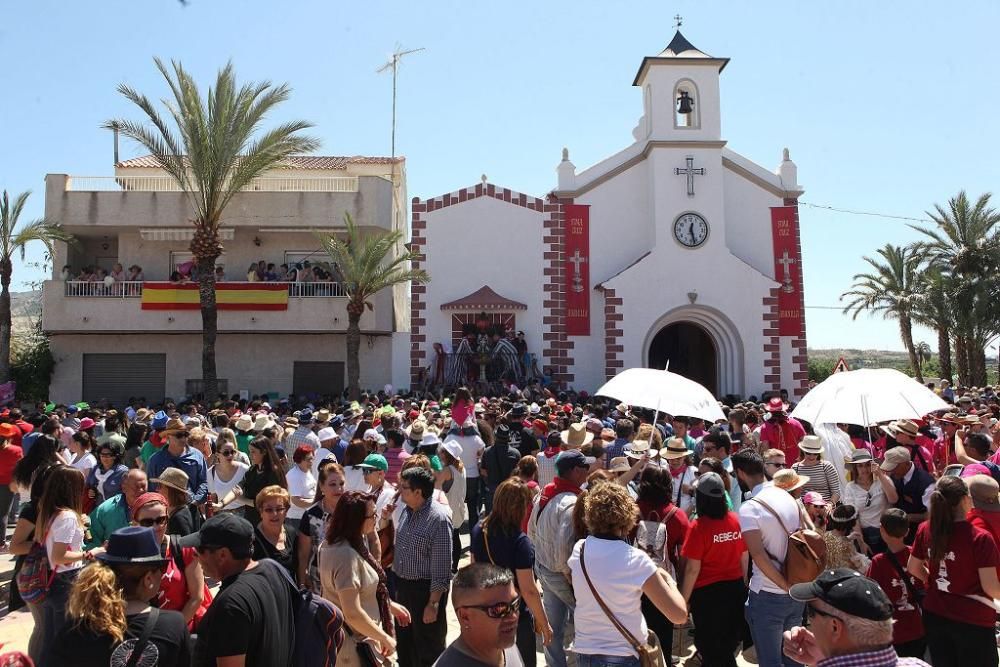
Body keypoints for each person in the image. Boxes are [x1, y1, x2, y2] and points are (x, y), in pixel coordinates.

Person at [568, 482, 687, 666]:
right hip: (624, 655)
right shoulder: (637, 560)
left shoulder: (579, 550)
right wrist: (668, 580)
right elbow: (678, 615)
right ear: (627, 516)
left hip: (586, 653)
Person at [51, 526, 191, 666]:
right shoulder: (173, 625)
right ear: (148, 579)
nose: (162, 573)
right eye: (161, 568)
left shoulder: (74, 632)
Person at [906, 475, 1000, 667]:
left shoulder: (926, 529)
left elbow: (913, 567)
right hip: (973, 620)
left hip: (936, 614)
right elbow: (991, 587)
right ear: (965, 499)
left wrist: (932, 582)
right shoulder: (979, 538)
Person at [180, 513, 295, 666]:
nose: (195, 557)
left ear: (222, 555)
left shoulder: (231, 603)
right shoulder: (273, 571)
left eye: (199, 551)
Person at [319, 491, 412, 666]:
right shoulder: (345, 556)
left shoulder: (340, 543)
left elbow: (360, 589)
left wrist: (389, 605)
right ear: (356, 520)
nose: (376, 518)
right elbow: (352, 613)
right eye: (372, 515)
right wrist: (384, 637)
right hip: (353, 648)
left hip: (361, 639)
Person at [733, 449, 806, 667]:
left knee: (770, 662)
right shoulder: (789, 497)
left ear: (740, 473)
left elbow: (758, 556)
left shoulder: (749, 509)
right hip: (797, 592)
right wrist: (791, 588)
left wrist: (784, 585)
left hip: (768, 595)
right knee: (795, 659)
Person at [470, 477, 552, 667]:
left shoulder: (479, 530)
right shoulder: (520, 542)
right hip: (514, 619)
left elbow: (475, 573)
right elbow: (528, 589)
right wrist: (544, 624)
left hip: (486, 614)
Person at [783, 568, 929, 667]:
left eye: (811, 612)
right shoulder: (917, 664)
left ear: (835, 627)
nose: (809, 621)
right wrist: (825, 657)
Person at [528, 449, 593, 667]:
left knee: (552, 627)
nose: (588, 471)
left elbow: (531, 530)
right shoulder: (572, 503)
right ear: (575, 471)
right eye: (584, 467)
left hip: (543, 568)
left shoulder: (546, 492)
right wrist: (568, 574)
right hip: (560, 574)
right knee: (587, 623)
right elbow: (565, 547)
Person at [679, 472, 748, 667]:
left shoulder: (698, 527)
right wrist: (743, 586)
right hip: (735, 591)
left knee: (711, 650)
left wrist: (682, 602)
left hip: (707, 597)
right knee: (726, 647)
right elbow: (744, 556)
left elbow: (692, 569)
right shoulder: (736, 520)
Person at [36, 465, 97, 666]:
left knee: (51, 639)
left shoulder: (51, 512)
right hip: (66, 580)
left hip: (54, 581)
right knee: (65, 641)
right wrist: (90, 553)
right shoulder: (68, 517)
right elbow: (60, 556)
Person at [393, 465, 453, 667]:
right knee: (405, 646)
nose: (399, 490)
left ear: (418, 492)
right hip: (402, 589)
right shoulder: (406, 511)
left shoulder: (438, 519)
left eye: (404, 487)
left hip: (424, 593)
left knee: (428, 649)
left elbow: (442, 567)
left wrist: (433, 604)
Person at [131, 492, 212, 631]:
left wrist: (170, 631)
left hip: (180, 631)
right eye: (147, 522)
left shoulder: (183, 550)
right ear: (135, 524)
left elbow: (197, 597)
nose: (155, 527)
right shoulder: (128, 554)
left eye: (161, 520)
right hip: (142, 632)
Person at [633, 463, 689, 651]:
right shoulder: (678, 516)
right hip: (663, 581)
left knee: (636, 634)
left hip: (634, 580)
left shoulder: (631, 512)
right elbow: (683, 556)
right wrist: (680, 586)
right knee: (663, 635)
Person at [435, 563, 525, 667]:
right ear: (465, 617)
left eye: (515, 604)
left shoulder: (504, 644)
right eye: (498, 609)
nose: (513, 616)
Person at [865, 508, 926, 658]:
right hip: (918, 628)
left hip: (892, 631)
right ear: (907, 531)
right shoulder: (917, 556)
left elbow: (871, 596)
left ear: (882, 530)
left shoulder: (878, 562)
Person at [298, 461, 346, 591]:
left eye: (341, 484)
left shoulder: (352, 511)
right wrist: (302, 582)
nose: (338, 489)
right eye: (332, 484)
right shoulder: (310, 516)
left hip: (348, 577)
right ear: (322, 487)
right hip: (319, 581)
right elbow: (303, 553)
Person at [842, 449, 897, 553]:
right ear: (855, 468)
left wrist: (880, 474)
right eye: (860, 466)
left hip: (886, 531)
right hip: (864, 533)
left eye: (867, 465)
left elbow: (893, 499)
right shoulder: (850, 487)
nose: (864, 469)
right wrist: (862, 542)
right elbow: (853, 516)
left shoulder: (883, 480)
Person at [147, 418, 209, 506]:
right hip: (166, 511)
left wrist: (196, 501)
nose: (183, 438)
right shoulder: (156, 460)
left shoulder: (197, 455)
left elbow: (204, 481)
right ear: (168, 436)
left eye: (185, 434)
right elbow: (152, 489)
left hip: (192, 508)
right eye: (179, 435)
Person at [882, 446, 934, 542]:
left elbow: (931, 515)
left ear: (906, 463)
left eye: (894, 467)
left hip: (918, 536)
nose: (891, 471)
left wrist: (908, 517)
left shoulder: (927, 484)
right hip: (897, 534)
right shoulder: (894, 475)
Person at [87, 469, 149, 548]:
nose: (141, 490)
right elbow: (91, 540)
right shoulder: (106, 510)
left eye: (143, 486)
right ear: (124, 488)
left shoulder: (155, 509)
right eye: (136, 487)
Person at [252, 485, 299, 577]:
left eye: (279, 509)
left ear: (286, 511)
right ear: (261, 512)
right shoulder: (252, 540)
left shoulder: (292, 533)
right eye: (269, 510)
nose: (274, 514)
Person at [240, 436, 288, 526]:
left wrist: (243, 500)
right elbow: (239, 486)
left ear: (264, 452)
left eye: (253, 452)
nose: (250, 455)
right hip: (251, 520)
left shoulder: (273, 472)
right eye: (250, 451)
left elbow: (268, 502)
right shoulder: (252, 470)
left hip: (269, 522)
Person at [437, 440, 467, 572]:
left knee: (447, 540)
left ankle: (448, 566)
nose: (440, 453)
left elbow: (436, 486)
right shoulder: (461, 467)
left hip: (448, 509)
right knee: (456, 536)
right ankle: (454, 567)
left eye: (443, 451)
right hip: (459, 508)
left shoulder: (448, 470)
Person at [791, 435, 841, 504]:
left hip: (824, 507)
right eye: (808, 453)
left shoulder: (827, 466)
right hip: (803, 508)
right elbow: (792, 493)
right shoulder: (795, 468)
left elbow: (836, 492)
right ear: (803, 451)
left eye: (815, 454)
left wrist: (830, 504)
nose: (812, 456)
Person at [153, 467, 201, 537]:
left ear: (171, 490)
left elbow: (182, 546)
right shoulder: (182, 511)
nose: (157, 489)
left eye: (160, 486)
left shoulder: (179, 519)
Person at [822, 504, 871, 572]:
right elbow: (855, 568)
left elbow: (835, 543)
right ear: (851, 523)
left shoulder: (825, 535)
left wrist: (848, 538)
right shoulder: (847, 546)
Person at [207, 438, 248, 514]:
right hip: (222, 515)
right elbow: (213, 499)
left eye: (233, 452)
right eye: (226, 453)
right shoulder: (210, 473)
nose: (230, 455)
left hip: (243, 513)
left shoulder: (244, 469)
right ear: (217, 454)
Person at [759, 397, 806, 463]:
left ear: (770, 411)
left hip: (777, 465)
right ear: (782, 410)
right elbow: (804, 442)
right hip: (796, 463)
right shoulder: (796, 423)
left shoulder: (765, 427)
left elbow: (766, 449)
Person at [0, 423, 23, 550]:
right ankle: (1, 543)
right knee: (3, 514)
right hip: (7, 485)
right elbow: (19, 469)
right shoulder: (16, 450)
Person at [86, 438, 128, 507]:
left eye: (108, 455)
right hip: (97, 509)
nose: (104, 458)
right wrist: (91, 491)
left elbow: (128, 493)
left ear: (115, 456)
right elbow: (89, 485)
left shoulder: (123, 472)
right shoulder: (95, 469)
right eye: (102, 455)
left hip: (116, 509)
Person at [662, 438, 698, 516]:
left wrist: (691, 490)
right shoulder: (663, 471)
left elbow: (698, 497)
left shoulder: (693, 472)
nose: (674, 462)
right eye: (672, 458)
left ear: (684, 457)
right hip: (666, 518)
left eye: (678, 458)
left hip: (687, 518)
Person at [286, 445, 317, 524]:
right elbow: (296, 501)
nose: (311, 461)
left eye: (312, 458)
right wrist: (316, 501)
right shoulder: (294, 476)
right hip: (297, 519)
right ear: (300, 460)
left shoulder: (306, 470)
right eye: (308, 459)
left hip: (307, 516)